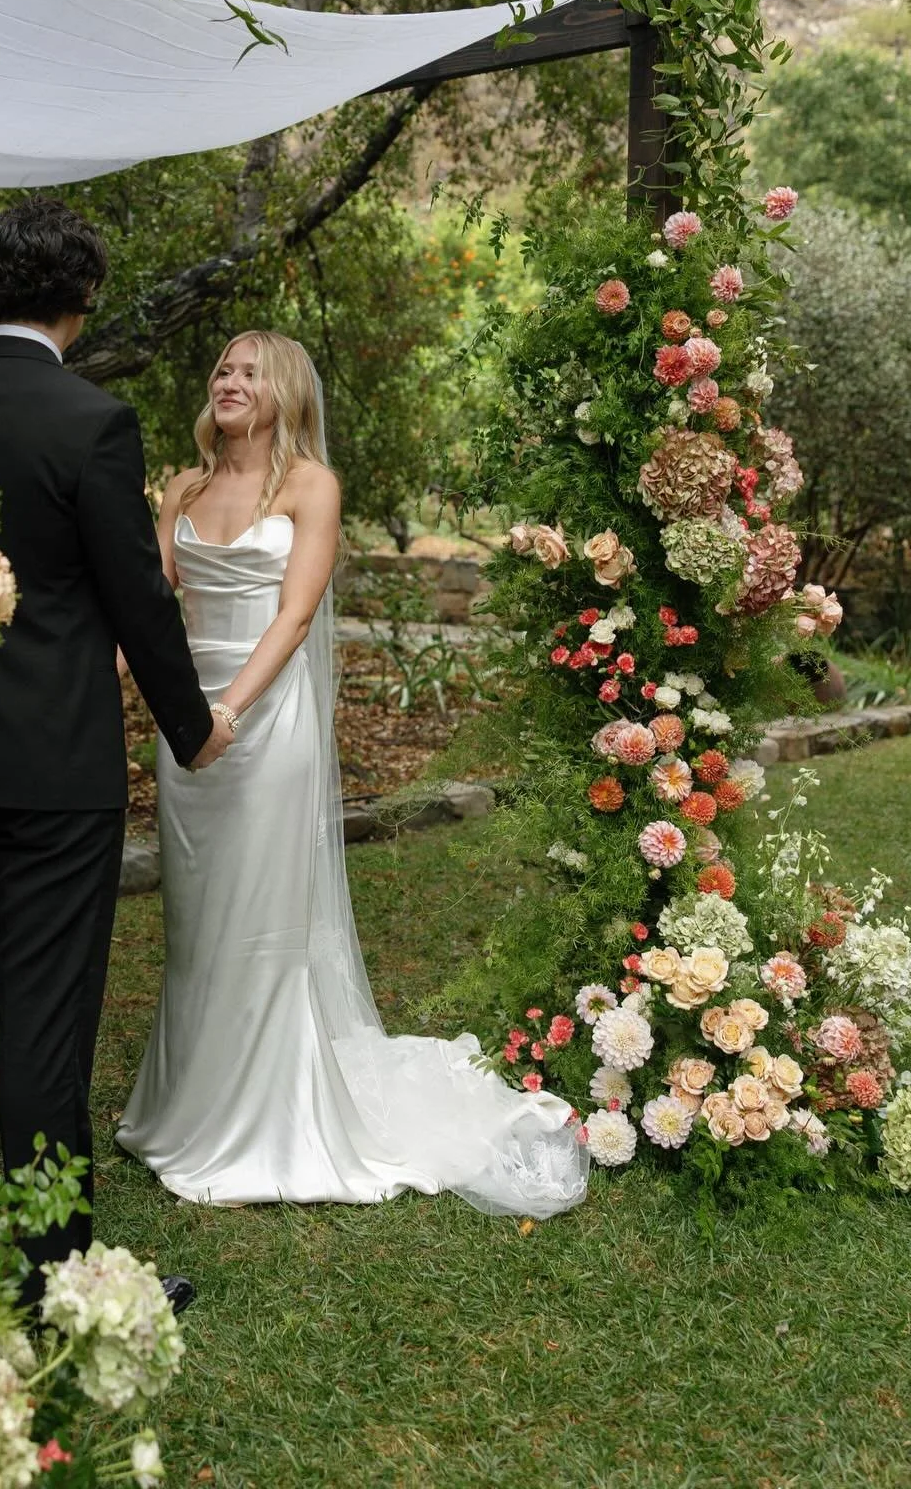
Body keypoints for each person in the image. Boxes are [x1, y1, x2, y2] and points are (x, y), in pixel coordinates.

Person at [117, 331, 590, 1217]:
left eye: (250, 372)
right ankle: (187, 1105)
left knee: (258, 921)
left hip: (262, 722)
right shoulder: (179, 489)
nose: (229, 380)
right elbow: (147, 608)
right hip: (188, 729)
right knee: (197, 921)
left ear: (286, 391)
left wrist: (226, 714)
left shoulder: (309, 487)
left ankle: (264, 1121)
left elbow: (295, 618)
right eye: (221, 367)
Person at [0, 198, 234, 1292]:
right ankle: (53, 1272)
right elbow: (137, 599)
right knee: (42, 1020)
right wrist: (193, 728)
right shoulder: (93, 422)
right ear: (81, 301)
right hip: (54, 771)